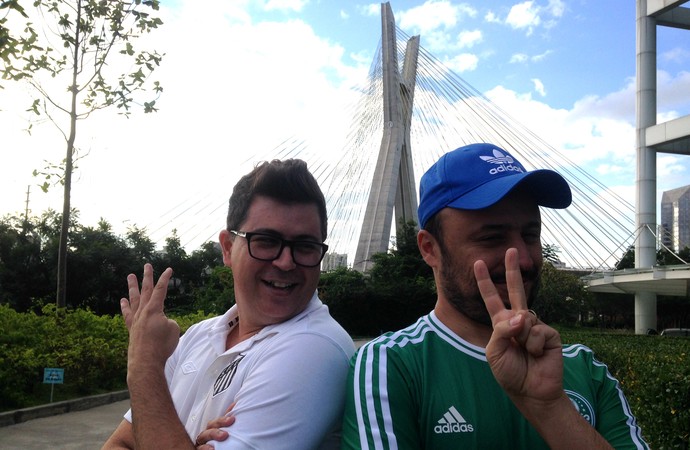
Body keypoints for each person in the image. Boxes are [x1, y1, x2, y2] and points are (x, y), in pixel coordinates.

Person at [341, 143, 649, 449]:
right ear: (429, 249)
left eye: (530, 235)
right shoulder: (392, 366)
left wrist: (551, 409)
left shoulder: (584, 369)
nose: (524, 260)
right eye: (491, 238)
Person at [103, 159, 356, 450]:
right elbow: (120, 443)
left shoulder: (315, 347)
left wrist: (144, 365)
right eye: (265, 241)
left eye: (305, 246)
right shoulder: (199, 336)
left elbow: (143, 430)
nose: (286, 262)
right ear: (227, 247)